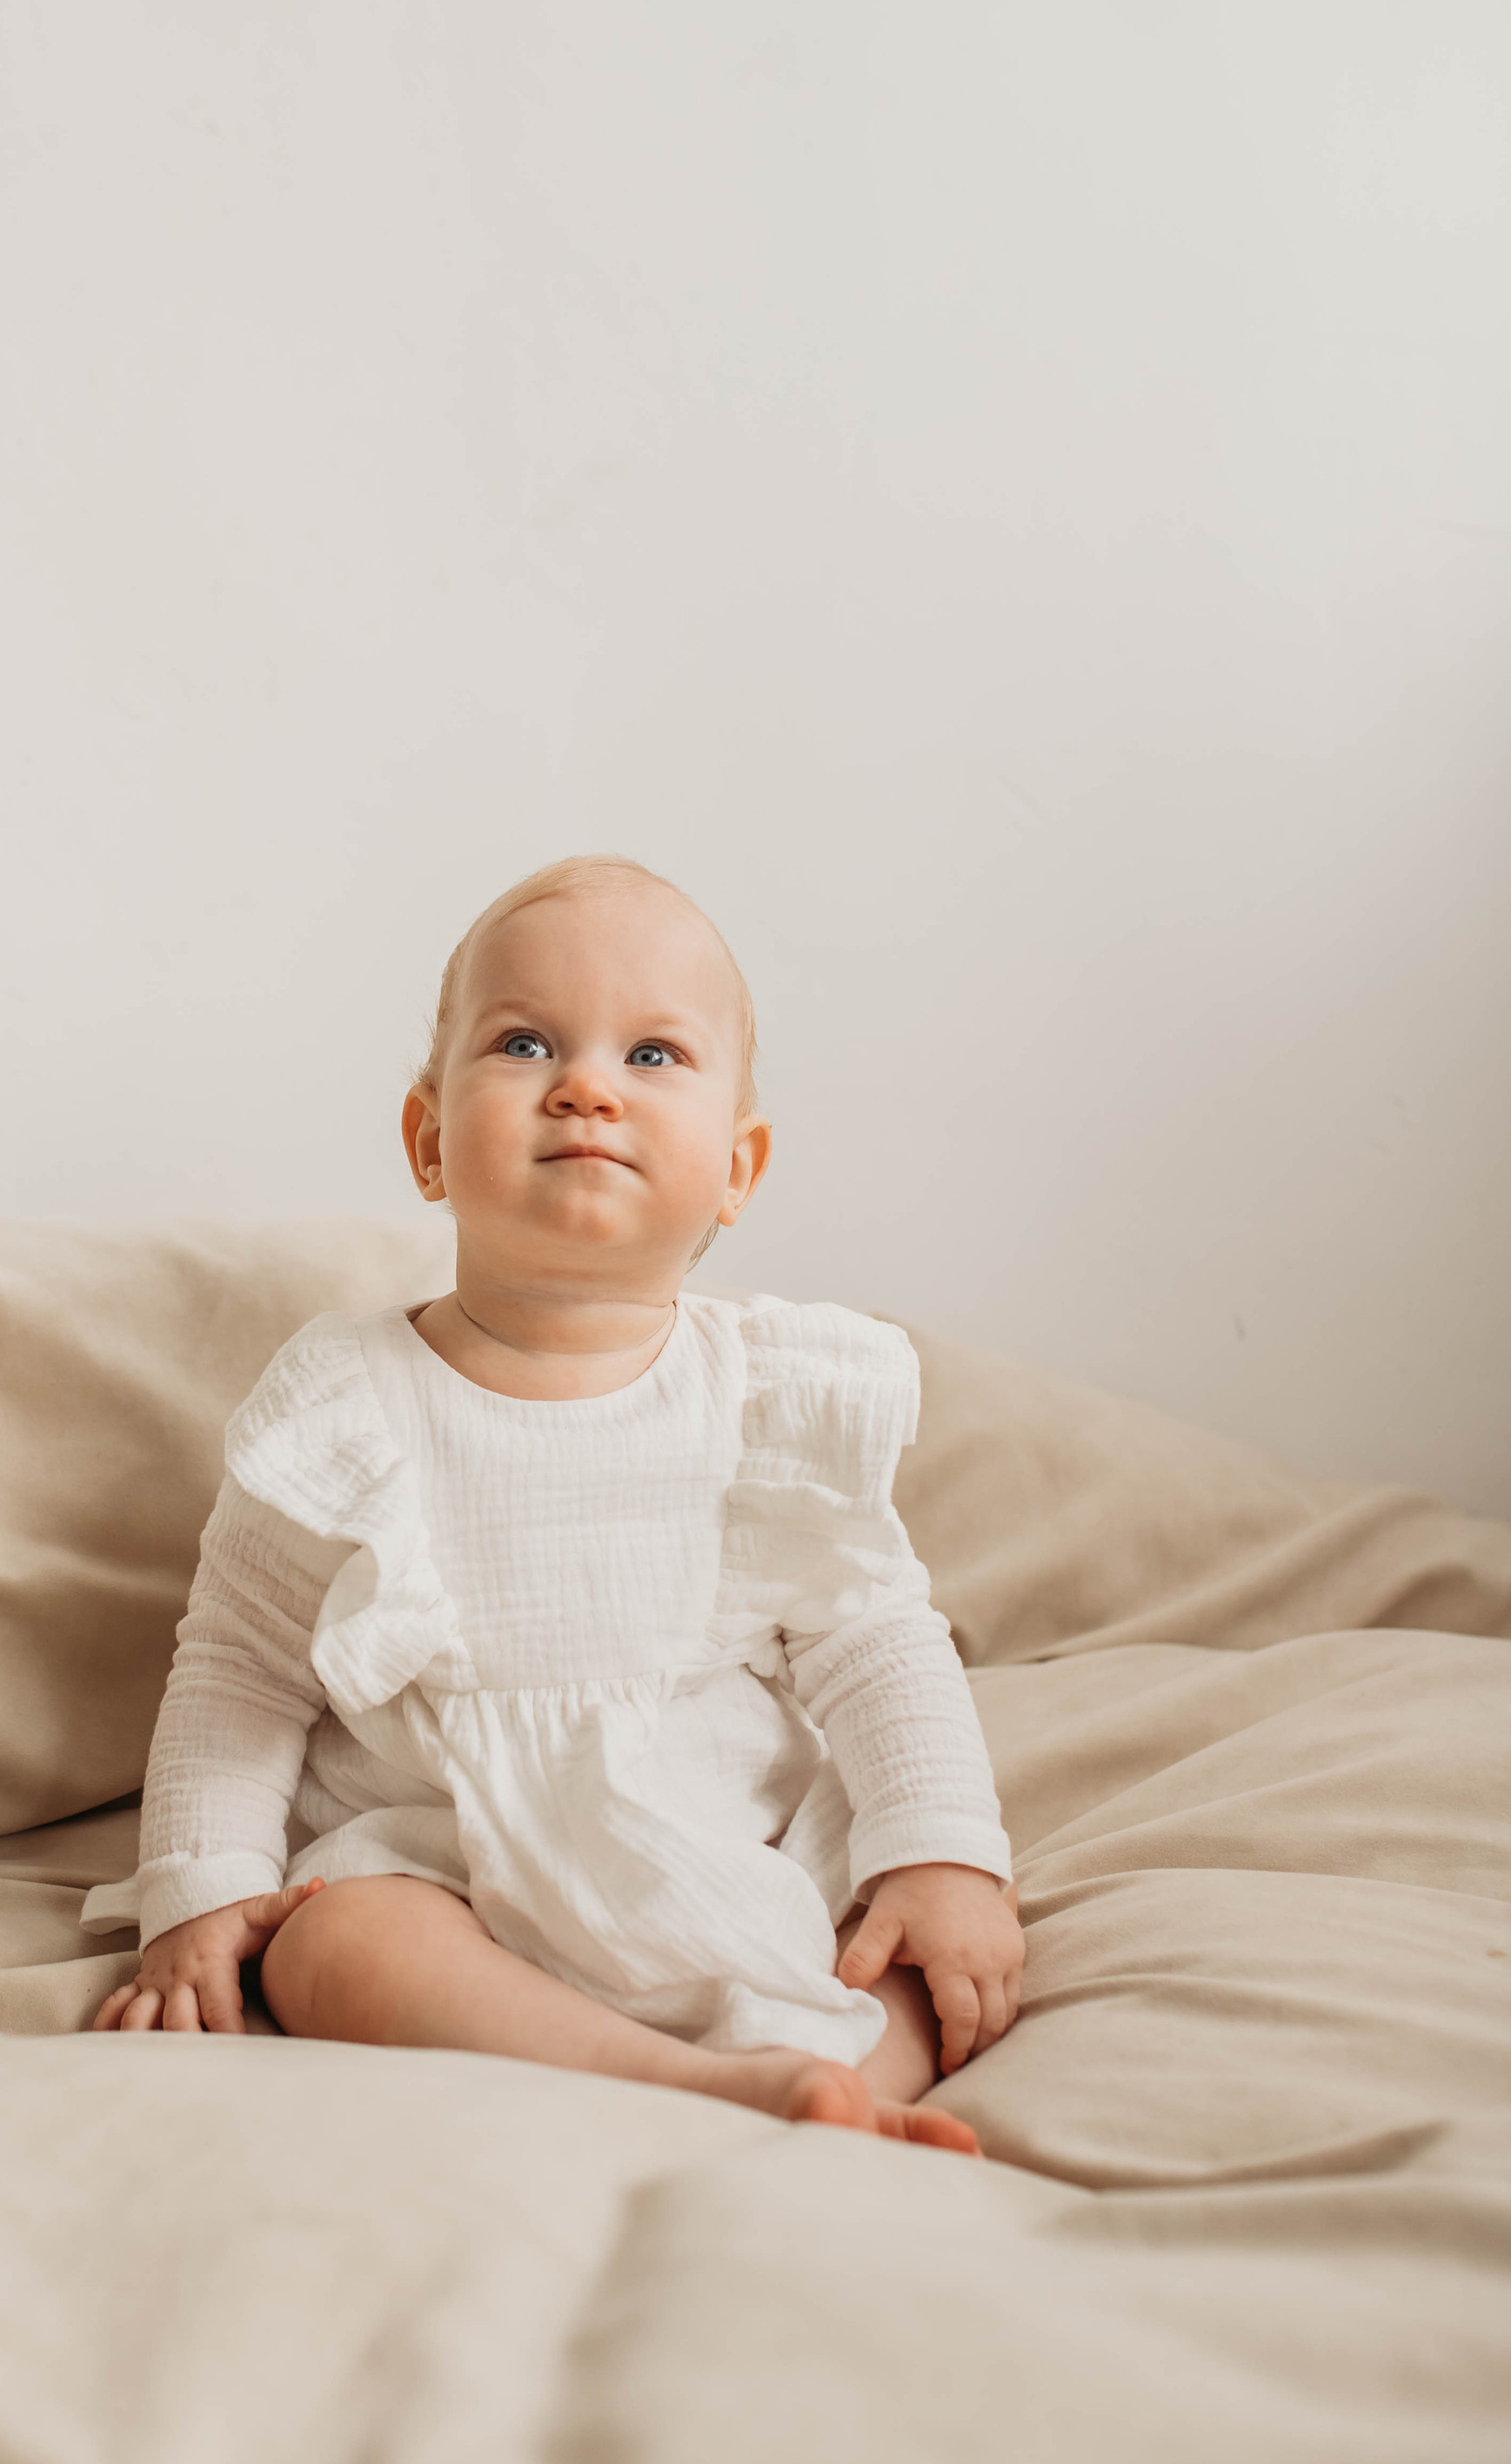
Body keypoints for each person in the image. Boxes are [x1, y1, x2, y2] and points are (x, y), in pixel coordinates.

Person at [84, 855, 1021, 2151]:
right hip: (452, 1861)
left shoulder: (767, 1399)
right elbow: (239, 1667)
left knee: (916, 1949)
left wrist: (943, 1850)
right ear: (427, 1141)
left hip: (726, 1847)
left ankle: (846, 2081)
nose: (587, 1086)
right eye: (525, 1043)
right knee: (325, 1945)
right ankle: (697, 2092)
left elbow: (877, 1638)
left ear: (737, 1170)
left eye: (653, 1056)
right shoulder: (345, 1406)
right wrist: (199, 1891)